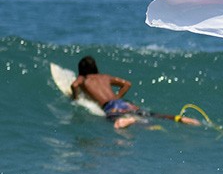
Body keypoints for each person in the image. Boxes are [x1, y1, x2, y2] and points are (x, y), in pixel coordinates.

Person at [70, 55, 200, 129]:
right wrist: (117, 96)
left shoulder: (83, 79)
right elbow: (127, 84)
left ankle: (126, 120)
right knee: (152, 115)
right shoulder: (105, 77)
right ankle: (180, 118)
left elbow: (74, 85)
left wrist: (75, 98)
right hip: (124, 103)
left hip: (110, 107)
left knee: (116, 123)